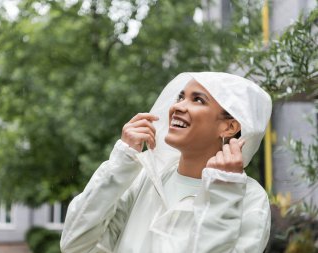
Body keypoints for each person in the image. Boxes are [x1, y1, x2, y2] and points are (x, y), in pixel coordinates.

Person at [60, 72, 272, 253]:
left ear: (229, 127)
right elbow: (74, 244)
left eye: (198, 100)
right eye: (180, 97)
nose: (178, 107)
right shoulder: (144, 180)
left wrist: (223, 192)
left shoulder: (249, 199)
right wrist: (121, 162)